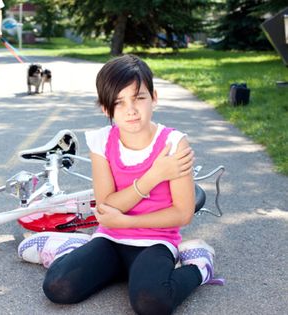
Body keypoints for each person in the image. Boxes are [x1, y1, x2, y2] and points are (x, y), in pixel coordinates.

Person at [18, 55, 224, 314]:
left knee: (152, 303)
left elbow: (182, 214)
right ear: (107, 109)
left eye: (139, 97)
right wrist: (154, 175)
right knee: (58, 287)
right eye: (119, 102)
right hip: (111, 237)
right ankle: (67, 247)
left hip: (156, 241)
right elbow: (105, 206)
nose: (131, 110)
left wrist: (127, 221)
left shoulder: (173, 143)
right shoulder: (102, 141)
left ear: (154, 98)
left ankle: (199, 265)